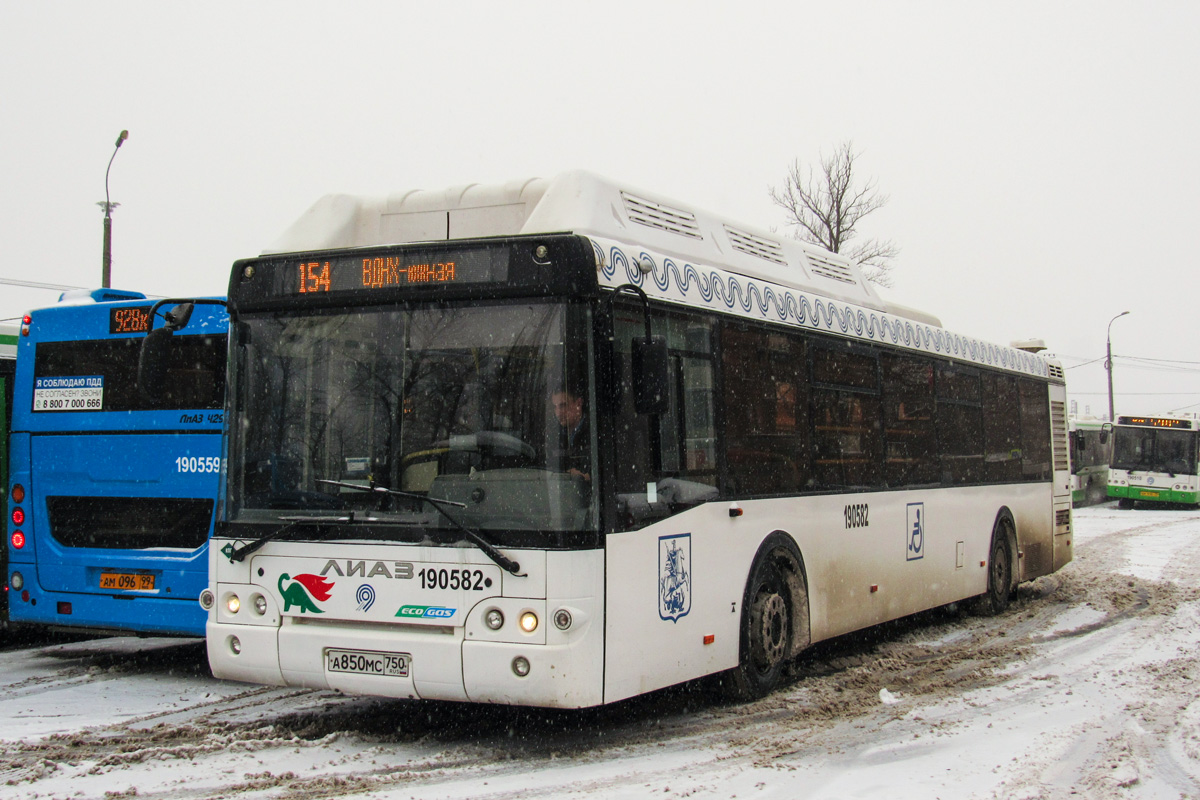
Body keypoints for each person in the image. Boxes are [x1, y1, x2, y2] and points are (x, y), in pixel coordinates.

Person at [551, 387, 590, 481]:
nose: (558, 413)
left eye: (563, 405)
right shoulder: (553, 435)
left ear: (578, 403)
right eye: (555, 407)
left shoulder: (595, 432)